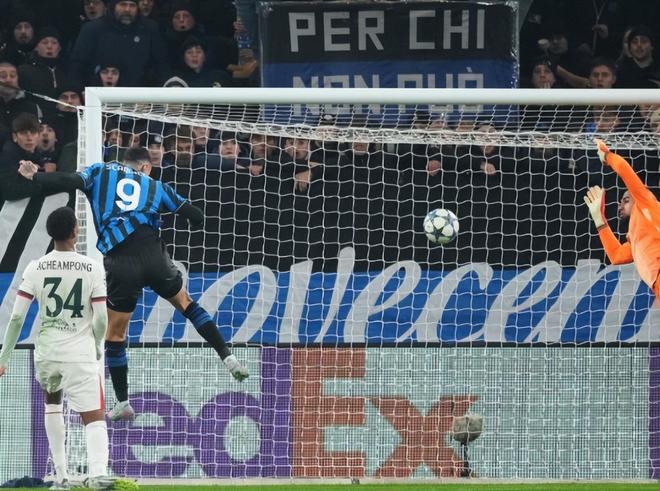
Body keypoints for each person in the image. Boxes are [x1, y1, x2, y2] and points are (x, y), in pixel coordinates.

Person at [18, 147, 249, 422]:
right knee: (187, 305)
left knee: (115, 334)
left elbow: (70, 180)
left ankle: (123, 401)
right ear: (145, 167)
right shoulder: (156, 186)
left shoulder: (100, 171)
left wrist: (36, 176)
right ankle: (228, 357)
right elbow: (196, 216)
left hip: (120, 262)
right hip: (154, 256)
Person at [0, 207, 114, 490]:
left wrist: (4, 357)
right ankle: (98, 475)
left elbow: (17, 317)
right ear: (76, 231)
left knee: (52, 404)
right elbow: (101, 318)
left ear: (51, 233)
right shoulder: (92, 267)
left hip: (47, 352)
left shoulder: (35, 267)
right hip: (79, 353)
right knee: (94, 416)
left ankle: (61, 476)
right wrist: (97, 345)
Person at [584, 139, 660, 301]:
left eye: (626, 200)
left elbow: (625, 170)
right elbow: (616, 256)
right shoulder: (636, 237)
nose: (620, 206)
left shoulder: (647, 204)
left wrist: (607, 156)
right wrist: (599, 218)